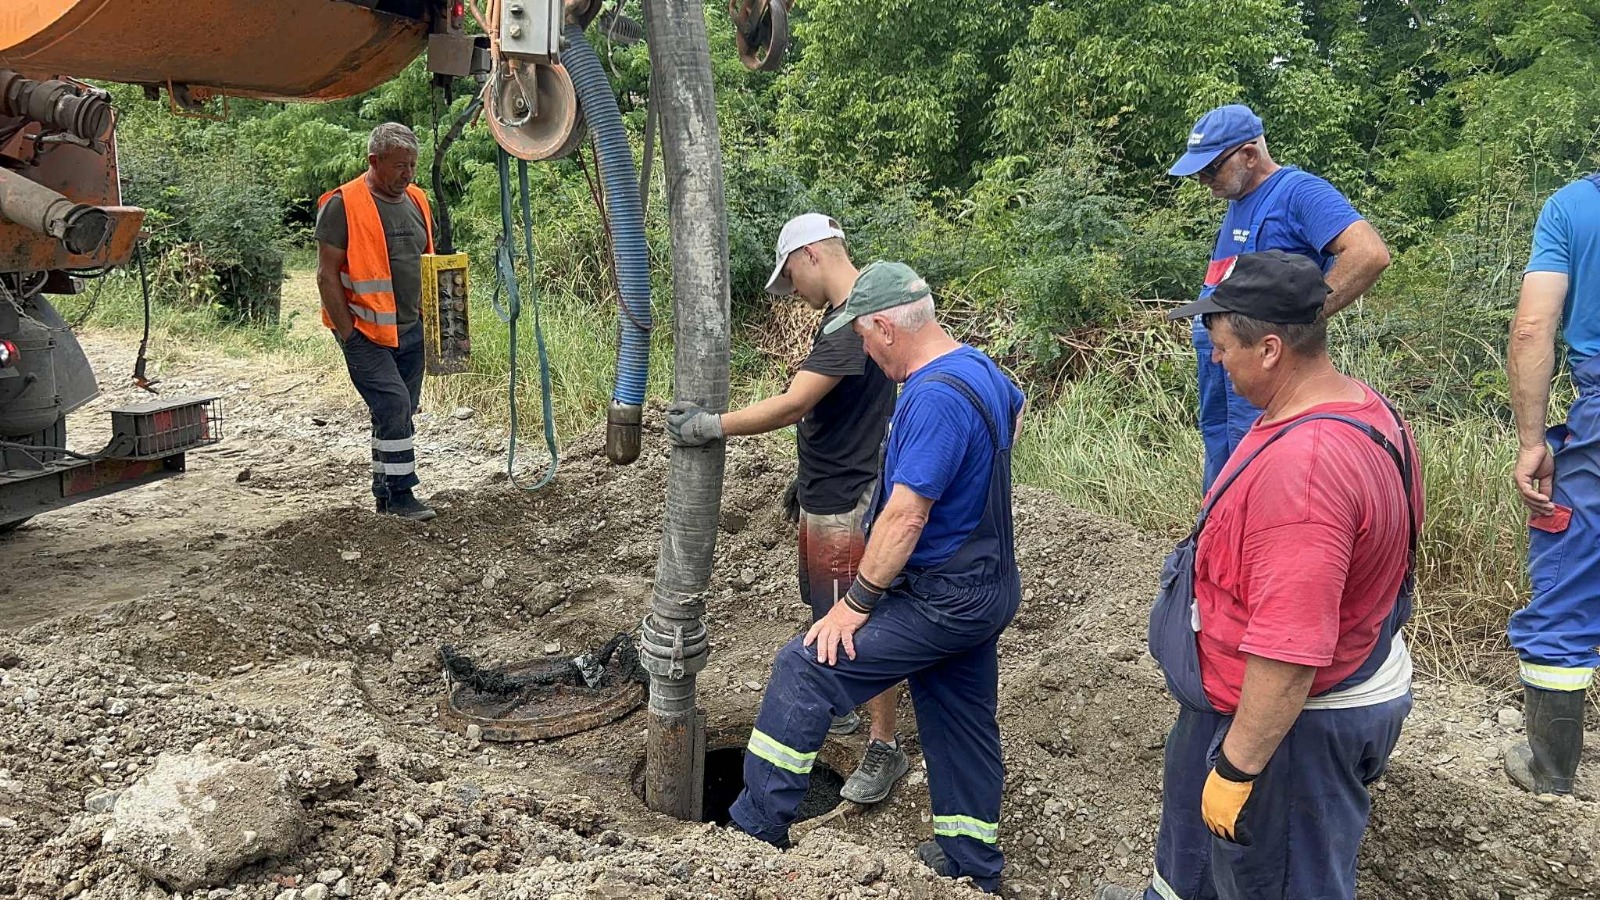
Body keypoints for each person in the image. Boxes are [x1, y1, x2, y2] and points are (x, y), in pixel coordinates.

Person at [1098, 251, 1423, 900]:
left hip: (1294, 728)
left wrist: (1241, 767)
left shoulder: (1305, 474)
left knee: (1273, 880)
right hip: (1244, 701)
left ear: (1270, 348)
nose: (1215, 361)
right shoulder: (1350, 406)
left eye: (1221, 348)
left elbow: (1290, 648)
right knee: (1192, 865)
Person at [724, 261, 1024, 893]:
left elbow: (907, 516)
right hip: (987, 586)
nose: (862, 348)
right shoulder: (980, 369)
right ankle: (971, 863)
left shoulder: (934, 395)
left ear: (886, 327)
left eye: (863, 335)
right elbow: (1013, 421)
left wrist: (853, 605)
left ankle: (751, 839)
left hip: (944, 596)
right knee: (960, 718)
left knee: (805, 667)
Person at [665, 214, 905, 803]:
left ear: (813, 255)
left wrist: (710, 426)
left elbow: (794, 404)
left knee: (859, 615)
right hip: (827, 486)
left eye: (791, 276)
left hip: (849, 493)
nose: (792, 289)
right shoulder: (842, 318)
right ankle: (845, 708)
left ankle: (884, 745)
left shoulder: (852, 325)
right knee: (828, 606)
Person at [1169, 103, 1392, 489]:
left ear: (1250, 155)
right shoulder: (1239, 203)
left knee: (1257, 468)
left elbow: (1369, 253)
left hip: (1264, 366)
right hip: (1224, 365)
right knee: (1223, 465)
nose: (1204, 182)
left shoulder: (1299, 192)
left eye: (1210, 170)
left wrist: (1308, 316)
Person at [1503, 173, 1600, 795]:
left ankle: (1551, 769)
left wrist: (1533, 442)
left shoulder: (1574, 207)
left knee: (1570, 580)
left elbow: (1532, 328)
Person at [316, 122, 437, 521]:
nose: (409, 174)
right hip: (365, 333)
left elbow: (428, 260)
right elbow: (325, 274)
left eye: (413, 165)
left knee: (397, 412)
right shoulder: (342, 204)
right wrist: (348, 335)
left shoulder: (417, 200)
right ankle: (402, 496)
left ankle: (384, 496)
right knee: (393, 404)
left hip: (411, 329)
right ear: (375, 161)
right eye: (401, 165)